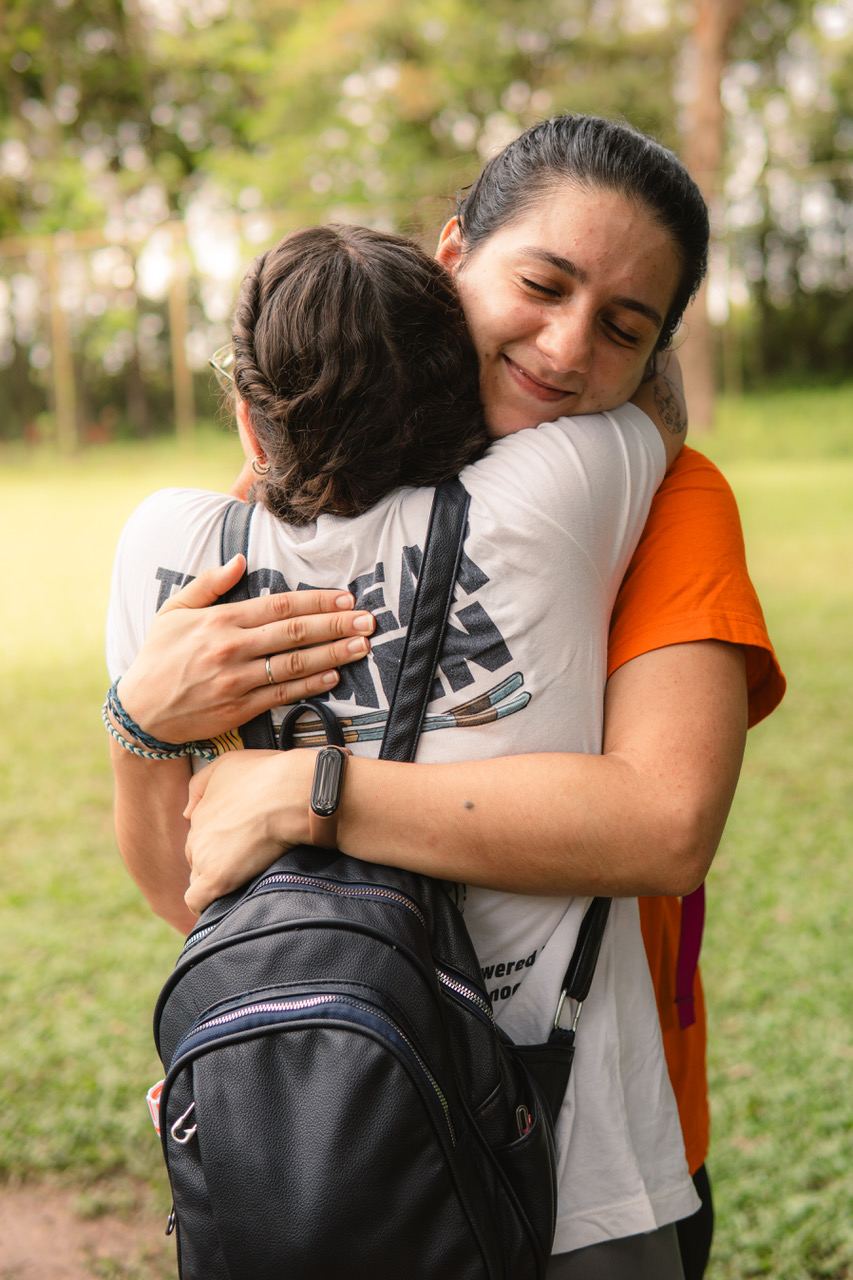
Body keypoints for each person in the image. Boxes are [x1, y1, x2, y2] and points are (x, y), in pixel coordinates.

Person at [106, 115, 785, 1277]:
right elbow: (186, 886)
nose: (567, 348)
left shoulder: (663, 495)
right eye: (540, 283)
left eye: (622, 326)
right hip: (334, 1122)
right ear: (450, 255)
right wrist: (137, 719)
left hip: (584, 1134)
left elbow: (666, 824)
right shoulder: (268, 506)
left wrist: (302, 792)